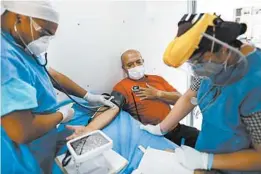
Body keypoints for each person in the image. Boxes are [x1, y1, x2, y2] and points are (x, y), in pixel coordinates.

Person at [1, 1, 114, 173]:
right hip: (23, 143)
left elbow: (49, 74)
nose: (46, 41)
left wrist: (88, 96)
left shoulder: (19, 43)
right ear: (19, 17)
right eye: (44, 33)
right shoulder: (5, 60)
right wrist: (61, 115)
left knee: (114, 104)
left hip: (45, 125)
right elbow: (22, 132)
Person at [140, 13, 261, 173]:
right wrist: (161, 128)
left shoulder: (254, 82)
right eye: (192, 64)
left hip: (238, 164)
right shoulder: (210, 67)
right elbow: (191, 95)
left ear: (224, 48)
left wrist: (207, 161)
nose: (197, 69)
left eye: (199, 62)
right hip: (208, 148)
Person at [67, 49, 200, 148]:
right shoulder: (122, 87)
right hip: (153, 135)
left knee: (204, 142)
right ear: (124, 68)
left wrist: (159, 94)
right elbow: (111, 109)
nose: (135, 66)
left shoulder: (157, 80)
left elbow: (181, 99)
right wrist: (90, 128)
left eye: (138, 62)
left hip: (176, 128)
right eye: (130, 65)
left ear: (143, 61)